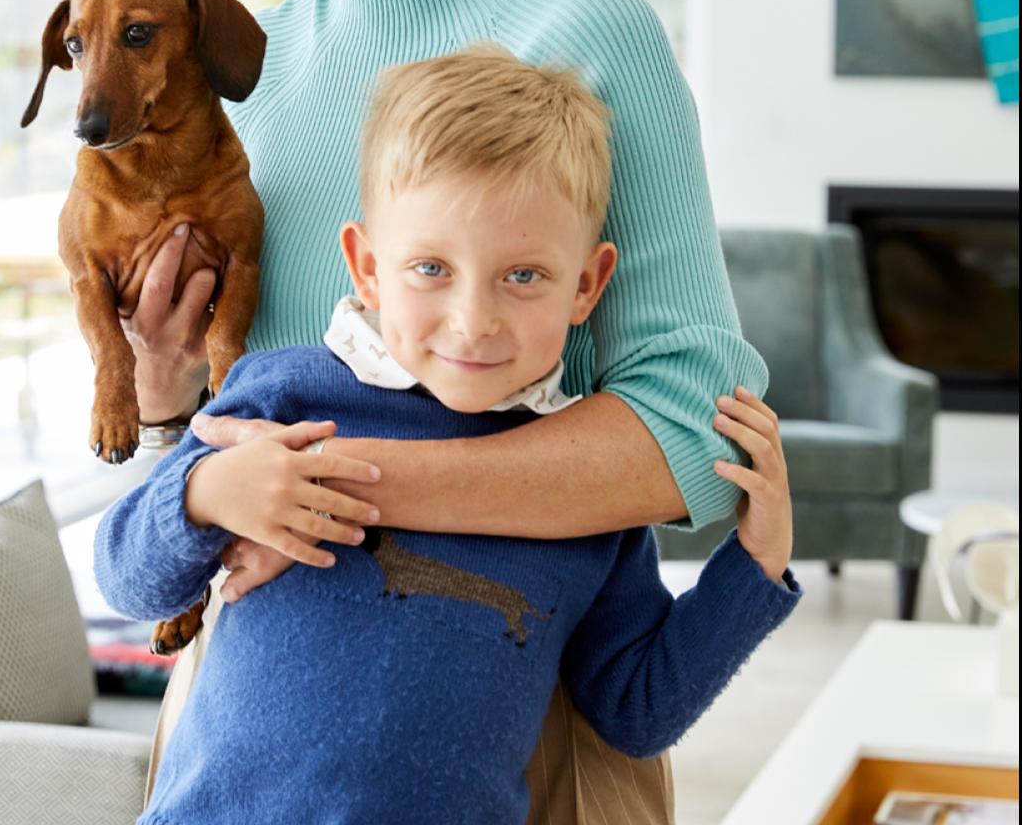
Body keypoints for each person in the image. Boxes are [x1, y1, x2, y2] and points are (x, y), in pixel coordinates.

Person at [121, 0, 771, 818]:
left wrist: (346, 488)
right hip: (248, 715)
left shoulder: (586, 35)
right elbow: (215, 450)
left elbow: (694, 430)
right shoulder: (249, 81)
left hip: (520, 721)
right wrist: (164, 405)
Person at [96, 48, 800, 825]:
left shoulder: (587, 508)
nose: (473, 320)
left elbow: (637, 710)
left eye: (523, 276)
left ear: (586, 286)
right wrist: (204, 494)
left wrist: (756, 567)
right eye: (431, 268)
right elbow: (129, 580)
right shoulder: (280, 395)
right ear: (366, 267)